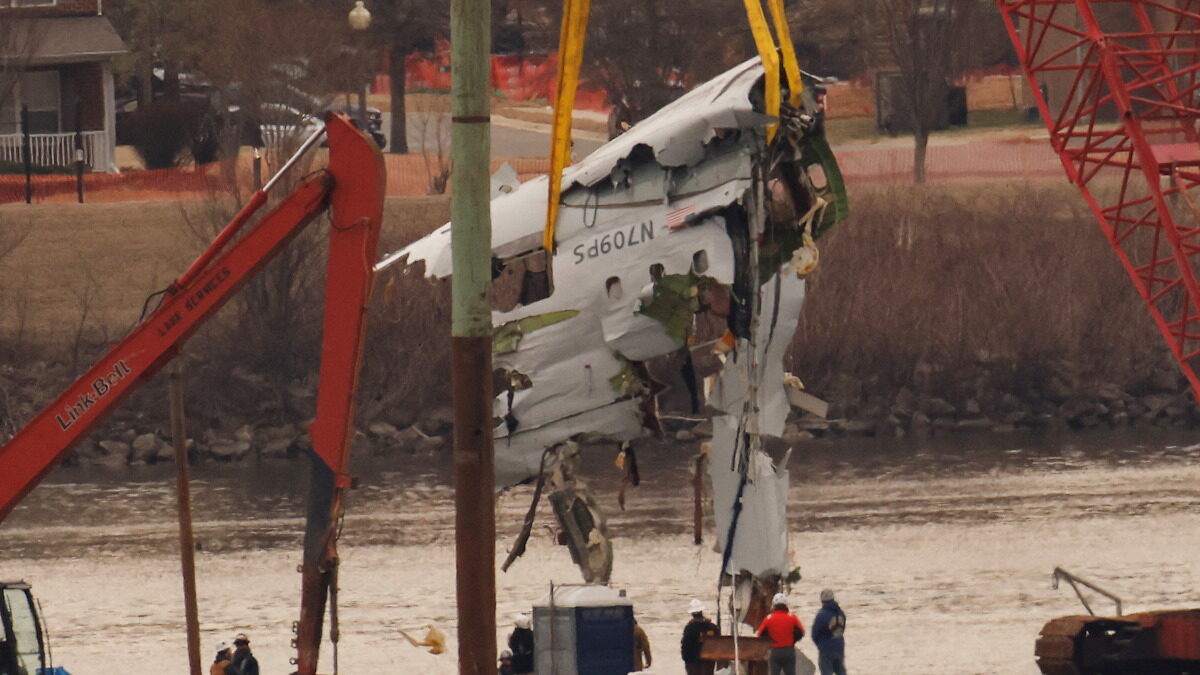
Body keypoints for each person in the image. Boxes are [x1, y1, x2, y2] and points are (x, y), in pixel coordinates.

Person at [757, 592, 805, 675]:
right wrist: (793, 640)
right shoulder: (792, 618)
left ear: (774, 605)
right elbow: (801, 632)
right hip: (789, 651)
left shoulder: (768, 619)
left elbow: (760, 635)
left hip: (774, 651)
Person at [811, 589, 847, 675]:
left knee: (826, 672)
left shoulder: (821, 615)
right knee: (841, 671)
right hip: (839, 646)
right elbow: (842, 629)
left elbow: (814, 634)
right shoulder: (841, 613)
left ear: (822, 600)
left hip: (826, 648)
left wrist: (820, 645)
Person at [680, 598, 719, 675]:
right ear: (701, 611)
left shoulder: (690, 628)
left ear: (692, 613)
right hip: (709, 661)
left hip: (693, 662)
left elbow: (685, 646)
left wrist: (686, 659)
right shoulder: (712, 627)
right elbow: (718, 642)